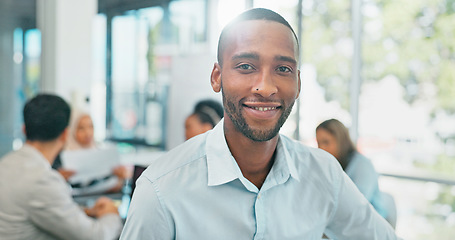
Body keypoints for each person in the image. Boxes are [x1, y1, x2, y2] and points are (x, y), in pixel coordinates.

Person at [120, 8, 400, 239]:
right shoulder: (161, 189)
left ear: (298, 83)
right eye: (245, 66)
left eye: (283, 69)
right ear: (217, 77)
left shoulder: (323, 174)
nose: (265, 87)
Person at [0, 94, 122, 239]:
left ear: (24, 130)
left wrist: (85, 212)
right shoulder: (42, 180)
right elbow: (96, 237)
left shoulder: (5, 163)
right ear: (65, 134)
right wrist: (111, 214)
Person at [316, 119, 389, 218]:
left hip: (369, 224)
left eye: (326, 142)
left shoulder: (362, 165)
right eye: (318, 143)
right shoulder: (332, 165)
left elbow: (357, 205)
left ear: (341, 141)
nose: (321, 148)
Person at [52, 109, 128, 194]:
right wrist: (59, 178)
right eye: (81, 128)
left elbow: (112, 187)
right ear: (72, 130)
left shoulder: (102, 154)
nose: (88, 133)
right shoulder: (60, 156)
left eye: (91, 126)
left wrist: (120, 178)